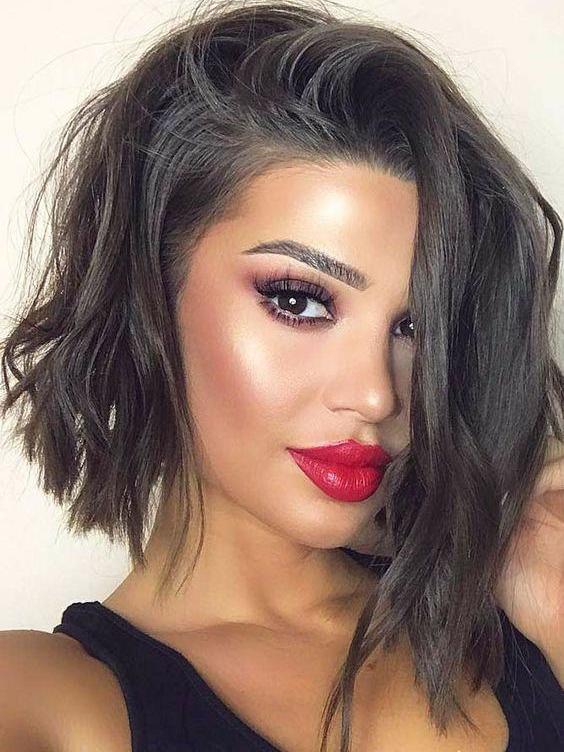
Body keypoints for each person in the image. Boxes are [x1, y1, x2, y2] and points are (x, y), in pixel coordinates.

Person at [1, 1, 563, 750]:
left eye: (415, 326)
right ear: (150, 296)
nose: (376, 394)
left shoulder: (526, 623)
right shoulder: (42, 700)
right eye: (298, 301)